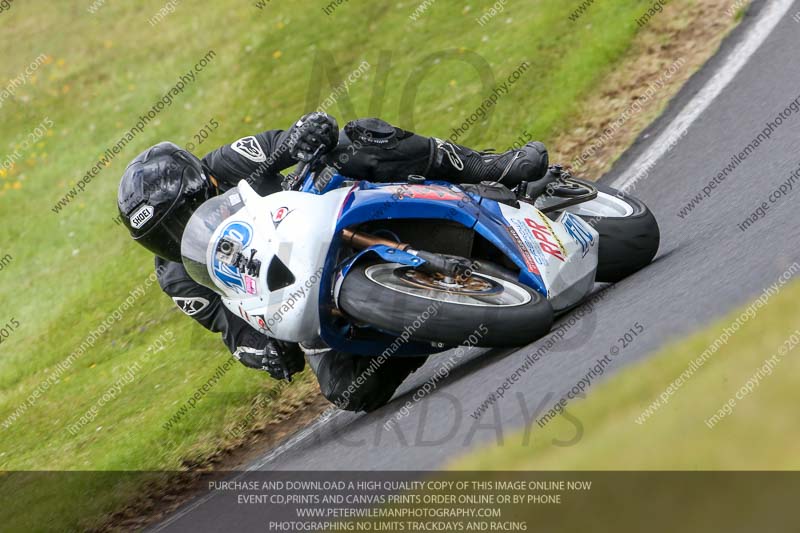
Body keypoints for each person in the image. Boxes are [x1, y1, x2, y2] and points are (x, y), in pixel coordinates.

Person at [116, 113, 549, 412]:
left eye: (182, 217)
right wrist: (261, 352)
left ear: (205, 183)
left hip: (324, 213)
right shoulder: (179, 277)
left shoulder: (227, 163)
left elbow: (283, 144)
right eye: (164, 237)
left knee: (353, 141)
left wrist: (305, 134)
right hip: (298, 293)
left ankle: (490, 166)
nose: (179, 236)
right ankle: (434, 323)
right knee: (349, 389)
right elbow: (234, 330)